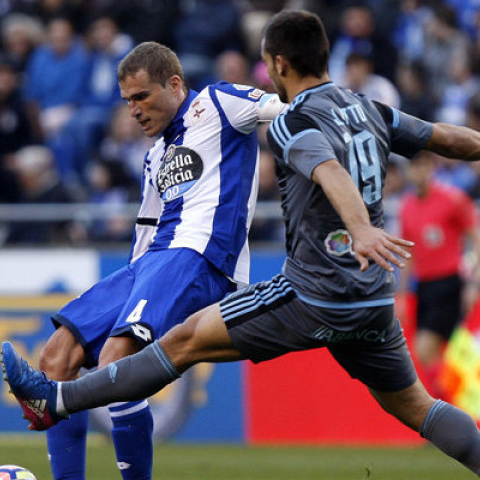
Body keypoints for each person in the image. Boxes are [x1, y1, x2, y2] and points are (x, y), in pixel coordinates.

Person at [1, 11, 480, 480]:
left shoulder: (291, 122)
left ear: (279, 64)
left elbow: (325, 168)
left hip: (314, 291)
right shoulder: (367, 109)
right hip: (371, 298)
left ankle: (58, 399)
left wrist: (357, 227)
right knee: (418, 407)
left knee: (184, 340)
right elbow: (437, 135)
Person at [23, 42, 286, 480]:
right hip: (151, 264)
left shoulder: (220, 103)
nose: (134, 110)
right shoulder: (155, 156)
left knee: (116, 362)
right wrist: (133, 293)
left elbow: (289, 108)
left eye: (142, 97)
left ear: (175, 84)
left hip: (201, 257)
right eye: (127, 101)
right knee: (56, 359)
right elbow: (146, 234)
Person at [396, 151, 480, 398]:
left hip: (449, 282)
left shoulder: (452, 199)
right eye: (414, 166)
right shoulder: (406, 206)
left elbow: (478, 238)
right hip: (424, 287)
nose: (419, 171)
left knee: (425, 348)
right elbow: (408, 255)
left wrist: (475, 283)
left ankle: (446, 409)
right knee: (435, 353)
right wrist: (403, 295)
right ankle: (454, 408)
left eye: (424, 165)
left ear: (433, 167)